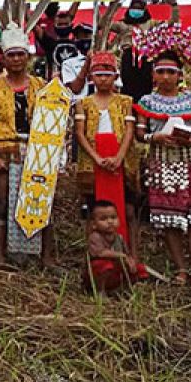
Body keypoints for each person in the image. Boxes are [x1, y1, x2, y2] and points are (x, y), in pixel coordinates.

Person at [133, 49, 191, 292]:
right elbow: (139, 132)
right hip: (161, 163)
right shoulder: (147, 102)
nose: (165, 77)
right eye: (161, 72)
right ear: (154, 75)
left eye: (170, 72)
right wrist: (155, 137)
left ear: (179, 75)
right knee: (169, 218)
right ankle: (180, 268)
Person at [0, 27, 50, 267]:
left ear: (28, 56)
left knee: (41, 202)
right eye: (12, 55)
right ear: (3, 57)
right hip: (5, 148)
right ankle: (2, 257)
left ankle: (45, 257)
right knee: (3, 203)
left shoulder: (41, 86)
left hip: (36, 151)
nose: (17, 59)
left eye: (21, 54)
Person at [74, 52, 137, 251]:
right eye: (98, 74)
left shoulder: (125, 102)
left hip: (119, 157)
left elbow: (128, 131)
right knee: (93, 210)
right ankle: (93, 254)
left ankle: (132, 253)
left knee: (128, 210)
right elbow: (80, 133)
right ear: (91, 77)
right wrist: (96, 158)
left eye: (107, 74)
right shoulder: (82, 103)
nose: (103, 79)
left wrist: (119, 157)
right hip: (93, 158)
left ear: (116, 77)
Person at [85, 200, 148, 294]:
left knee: (140, 269)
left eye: (113, 217)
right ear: (94, 224)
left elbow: (126, 254)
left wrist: (131, 261)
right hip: (99, 273)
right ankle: (100, 290)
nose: (110, 221)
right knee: (104, 266)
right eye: (103, 219)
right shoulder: (95, 237)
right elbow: (100, 253)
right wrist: (121, 256)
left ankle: (122, 288)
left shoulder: (119, 238)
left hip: (116, 271)